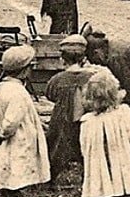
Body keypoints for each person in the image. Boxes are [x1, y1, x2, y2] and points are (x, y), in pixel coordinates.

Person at [0, 45, 51, 197]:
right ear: (24, 70)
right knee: (16, 173)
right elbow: (11, 121)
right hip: (18, 139)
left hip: (10, 139)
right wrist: (5, 133)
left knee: (8, 172)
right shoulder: (18, 93)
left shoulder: (2, 88)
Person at [79, 70, 130, 197]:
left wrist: (87, 157)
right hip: (119, 155)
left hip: (98, 158)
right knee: (119, 175)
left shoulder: (87, 121)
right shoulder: (123, 113)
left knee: (101, 176)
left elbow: (83, 144)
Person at [45, 34, 115, 178]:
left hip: (62, 120)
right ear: (83, 58)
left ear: (62, 59)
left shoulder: (57, 79)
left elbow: (50, 95)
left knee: (56, 146)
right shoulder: (92, 77)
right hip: (87, 119)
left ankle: (51, 176)